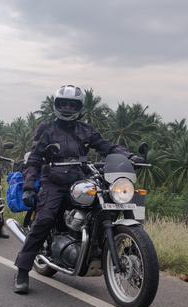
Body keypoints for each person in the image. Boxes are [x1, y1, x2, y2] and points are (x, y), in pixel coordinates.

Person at [13, 85, 145, 294]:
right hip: (53, 181)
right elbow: (35, 159)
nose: (67, 108)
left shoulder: (85, 130)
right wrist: (29, 186)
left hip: (80, 179)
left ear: (79, 107)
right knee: (45, 219)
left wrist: (128, 156)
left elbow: (106, 146)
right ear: (56, 105)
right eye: (63, 103)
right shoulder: (46, 129)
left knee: (104, 207)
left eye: (72, 104)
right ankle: (22, 270)